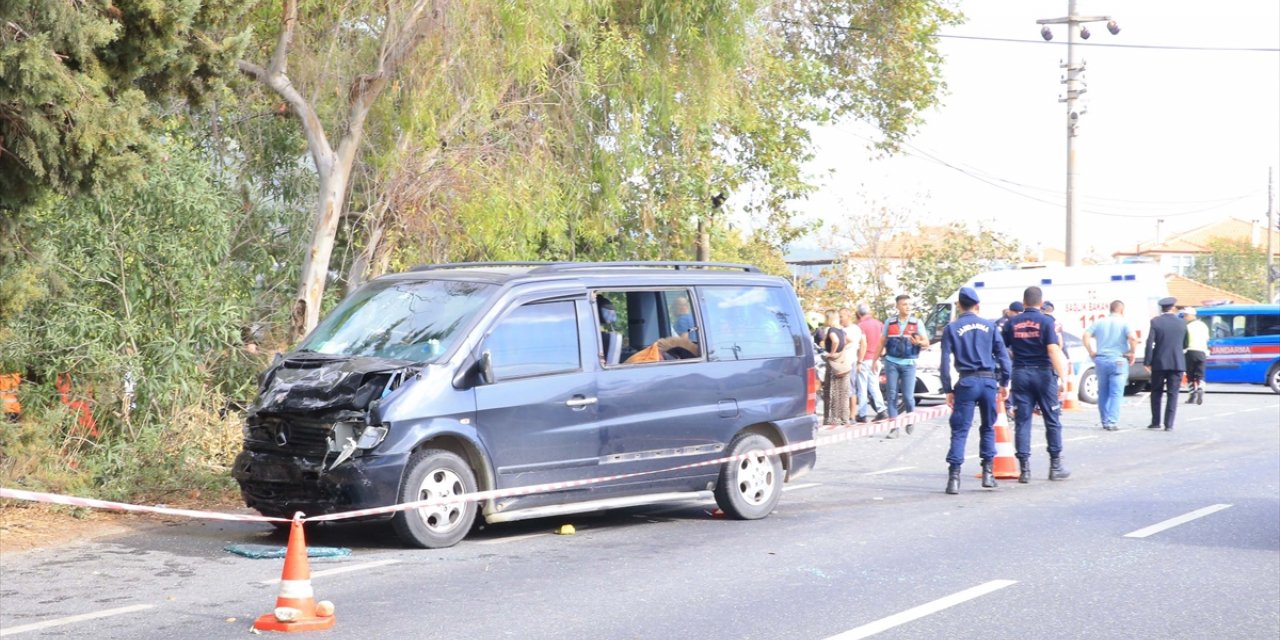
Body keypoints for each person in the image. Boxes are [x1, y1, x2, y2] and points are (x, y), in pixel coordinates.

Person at [939, 287, 1012, 494]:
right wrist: (1005, 383)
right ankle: (988, 474)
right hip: (988, 382)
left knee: (960, 430)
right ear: (977, 306)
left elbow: (944, 363)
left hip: (967, 382)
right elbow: (1004, 358)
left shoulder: (951, 328)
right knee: (988, 427)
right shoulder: (990, 326)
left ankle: (954, 478)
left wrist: (947, 389)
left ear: (959, 306)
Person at [1001, 286, 1071, 482]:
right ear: (1041, 303)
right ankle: (1055, 466)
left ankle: (1024, 470)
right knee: (1052, 418)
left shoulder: (1012, 322)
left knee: (1023, 421)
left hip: (1021, 373)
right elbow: (1053, 350)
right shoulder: (1047, 321)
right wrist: (1063, 377)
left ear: (1023, 303)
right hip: (1043, 374)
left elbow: (1001, 347)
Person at [1083, 300, 1139, 431]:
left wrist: (1091, 351)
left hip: (1101, 360)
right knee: (1116, 393)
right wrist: (1132, 352)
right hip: (1118, 360)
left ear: (1110, 309)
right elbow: (1133, 338)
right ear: (1122, 310)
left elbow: (1086, 335)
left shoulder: (1099, 322)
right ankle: (1112, 421)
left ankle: (1104, 420)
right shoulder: (1125, 323)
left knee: (1103, 391)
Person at [880, 295, 929, 437]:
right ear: (897, 306)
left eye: (909, 304)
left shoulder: (917, 323)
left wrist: (919, 342)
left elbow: (926, 342)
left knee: (908, 396)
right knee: (891, 395)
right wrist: (874, 360)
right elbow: (881, 342)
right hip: (891, 362)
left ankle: (910, 419)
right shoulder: (889, 322)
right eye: (904, 304)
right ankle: (894, 428)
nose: (907, 307)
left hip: (909, 364)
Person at [1144, 297, 1187, 431]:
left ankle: (1156, 421)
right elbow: (1185, 343)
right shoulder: (1182, 323)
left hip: (1159, 362)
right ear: (1173, 307)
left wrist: (1148, 361)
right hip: (1177, 362)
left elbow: (1150, 342)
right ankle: (1169, 424)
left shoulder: (1156, 322)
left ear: (1161, 308)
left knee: (1156, 392)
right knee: (1173, 393)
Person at [817, 310, 852, 426]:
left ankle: (831, 418)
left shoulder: (831, 330)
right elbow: (850, 341)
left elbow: (835, 341)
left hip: (833, 364)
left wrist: (832, 353)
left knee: (831, 391)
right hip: (843, 363)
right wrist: (842, 351)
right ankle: (844, 418)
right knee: (843, 392)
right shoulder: (842, 331)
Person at [855, 303, 888, 423]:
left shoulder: (860, 326)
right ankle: (881, 409)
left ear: (858, 313)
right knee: (874, 386)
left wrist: (859, 360)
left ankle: (862, 414)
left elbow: (862, 344)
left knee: (862, 388)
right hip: (876, 359)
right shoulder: (879, 324)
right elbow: (884, 339)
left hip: (865, 359)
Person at [994, 301, 1023, 416]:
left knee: (1015, 383)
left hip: (1016, 358)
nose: (1018, 315)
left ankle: (1012, 407)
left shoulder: (1018, 322)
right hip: (1005, 358)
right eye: (1016, 312)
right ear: (1010, 311)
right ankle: (1007, 407)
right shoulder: (1001, 323)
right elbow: (1000, 343)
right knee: (1006, 381)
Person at [839, 307, 866, 418]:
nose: (840, 319)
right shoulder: (839, 328)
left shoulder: (855, 329)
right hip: (840, 363)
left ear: (848, 316)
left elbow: (863, 345)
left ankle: (852, 415)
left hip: (850, 361)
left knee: (850, 389)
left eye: (841, 316)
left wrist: (860, 361)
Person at [1183, 307, 1209, 405]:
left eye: (1185, 315)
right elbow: (1207, 339)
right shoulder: (1203, 325)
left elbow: (1185, 341)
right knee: (1200, 374)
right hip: (1202, 352)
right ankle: (1201, 388)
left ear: (1190, 315)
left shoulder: (1187, 327)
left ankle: (1192, 395)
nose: (1184, 317)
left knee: (1190, 375)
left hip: (1190, 351)